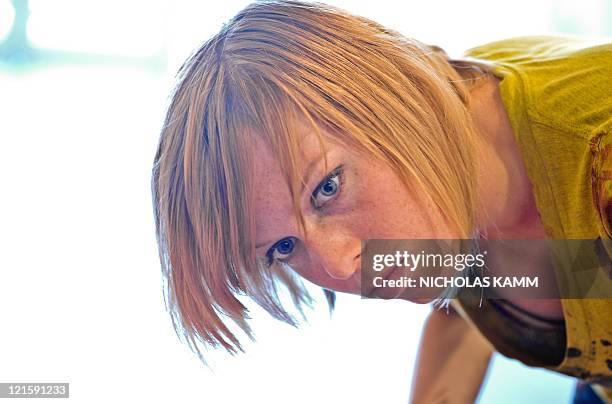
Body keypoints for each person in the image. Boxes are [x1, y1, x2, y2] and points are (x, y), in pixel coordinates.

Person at [150, 1, 612, 402]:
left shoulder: (595, 151)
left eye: (327, 188)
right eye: (284, 248)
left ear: (391, 100)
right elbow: (538, 273)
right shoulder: (449, 169)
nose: (339, 265)